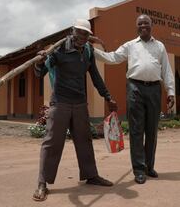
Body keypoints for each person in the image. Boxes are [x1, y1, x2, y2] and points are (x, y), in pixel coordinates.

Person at [32, 19, 118, 201]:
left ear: (88, 36)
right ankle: (42, 183)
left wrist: (108, 96)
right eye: (79, 32)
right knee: (52, 142)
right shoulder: (59, 50)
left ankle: (91, 175)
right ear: (73, 31)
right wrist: (40, 62)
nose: (82, 37)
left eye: (86, 34)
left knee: (84, 141)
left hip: (79, 103)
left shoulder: (87, 51)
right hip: (60, 102)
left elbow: (95, 76)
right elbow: (40, 74)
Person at [91, 14, 175, 184]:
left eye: (146, 23)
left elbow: (166, 69)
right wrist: (91, 51)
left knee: (151, 130)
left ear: (151, 26)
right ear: (136, 27)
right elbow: (113, 57)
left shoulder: (159, 46)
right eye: (140, 23)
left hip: (154, 90)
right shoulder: (130, 46)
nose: (143, 25)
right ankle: (138, 170)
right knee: (137, 131)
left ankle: (149, 167)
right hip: (135, 88)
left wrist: (171, 91)